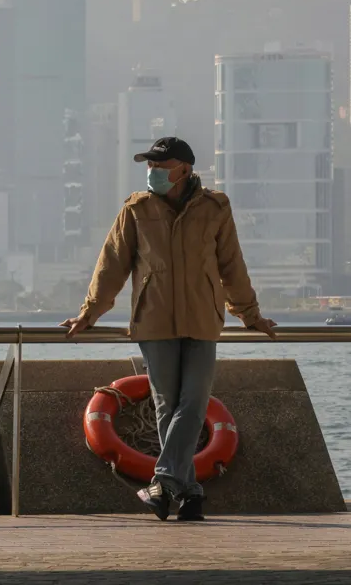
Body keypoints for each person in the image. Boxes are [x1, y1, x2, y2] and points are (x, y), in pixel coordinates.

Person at [60, 136, 276, 521]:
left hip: (203, 319)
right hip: (154, 320)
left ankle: (163, 483)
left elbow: (232, 265)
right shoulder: (136, 208)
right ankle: (189, 494)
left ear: (185, 169)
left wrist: (250, 313)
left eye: (161, 166)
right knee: (167, 407)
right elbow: (112, 264)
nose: (153, 173)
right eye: (150, 166)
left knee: (192, 402)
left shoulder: (215, 207)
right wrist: (89, 312)